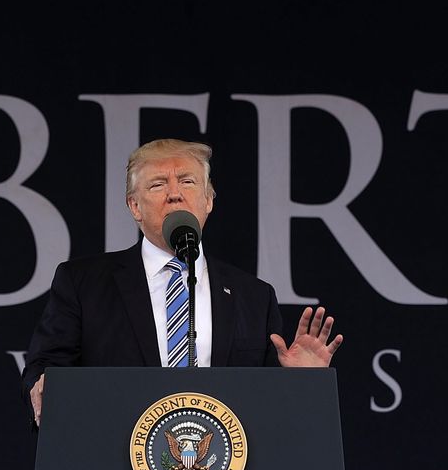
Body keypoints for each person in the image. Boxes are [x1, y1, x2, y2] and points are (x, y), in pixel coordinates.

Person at [23, 138, 342, 425]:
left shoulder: (253, 296)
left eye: (187, 181)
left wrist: (301, 385)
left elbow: (269, 410)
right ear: (134, 206)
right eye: (158, 184)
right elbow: (47, 370)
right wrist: (46, 386)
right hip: (112, 464)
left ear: (208, 201)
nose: (174, 194)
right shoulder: (83, 283)